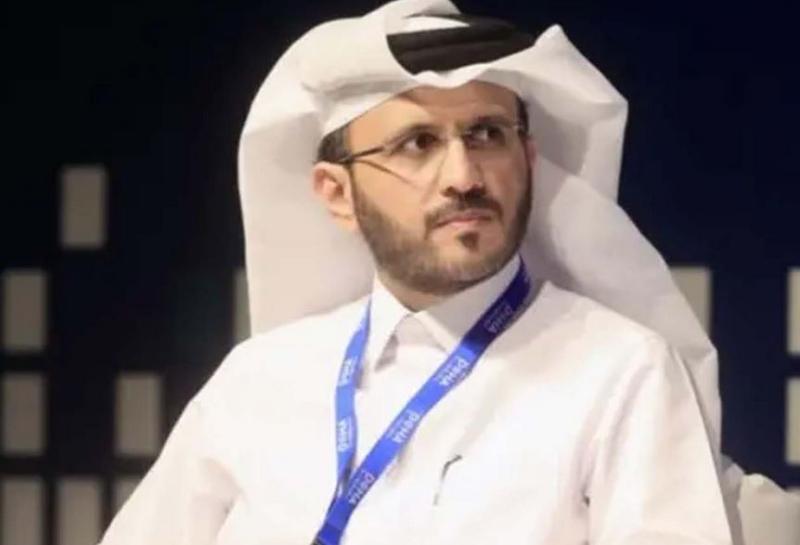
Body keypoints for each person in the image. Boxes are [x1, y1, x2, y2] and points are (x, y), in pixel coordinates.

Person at [99, 1, 754, 543]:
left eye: (487, 135)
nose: (464, 176)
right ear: (336, 193)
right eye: (418, 143)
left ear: (528, 158)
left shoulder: (620, 372)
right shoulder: (260, 379)